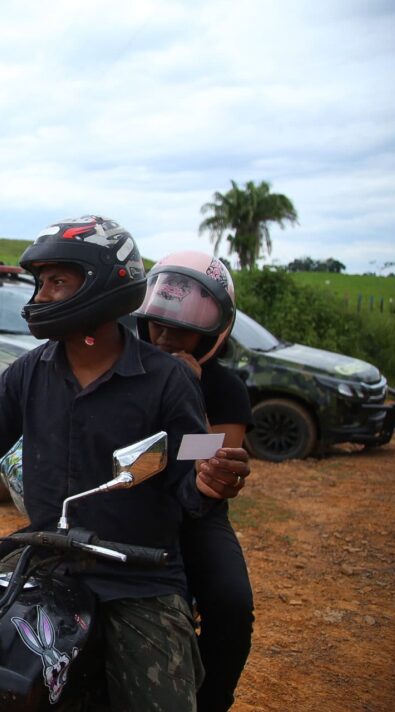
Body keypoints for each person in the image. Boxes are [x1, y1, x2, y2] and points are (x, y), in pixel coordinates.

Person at [0, 215, 249, 711]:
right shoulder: (29, 371)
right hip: (41, 561)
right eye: (40, 282)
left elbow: (185, 476)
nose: (41, 295)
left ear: (106, 286)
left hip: (136, 579)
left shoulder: (168, 381)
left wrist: (210, 482)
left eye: (58, 282)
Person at [133, 251, 254, 712]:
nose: (162, 338)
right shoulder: (128, 371)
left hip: (196, 514)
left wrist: (189, 395)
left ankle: (214, 696)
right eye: (156, 325)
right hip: (131, 504)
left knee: (231, 604)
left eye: (179, 329)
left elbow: (209, 461)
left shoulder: (226, 390)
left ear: (211, 334)